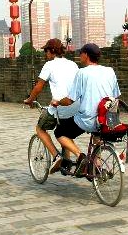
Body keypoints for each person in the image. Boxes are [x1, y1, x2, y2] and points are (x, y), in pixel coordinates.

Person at [51, 43, 121, 175]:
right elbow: (116, 96)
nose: (79, 56)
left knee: (60, 132)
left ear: (86, 55)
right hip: (108, 119)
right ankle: (96, 167)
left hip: (87, 119)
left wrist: (57, 102)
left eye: (81, 53)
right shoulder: (110, 71)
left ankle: (80, 156)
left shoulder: (82, 73)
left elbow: (70, 100)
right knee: (97, 134)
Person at [24, 38, 80, 173]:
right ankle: (66, 162)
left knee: (40, 129)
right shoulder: (73, 64)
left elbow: (38, 87)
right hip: (77, 105)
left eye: (46, 51)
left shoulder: (49, 65)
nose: (45, 54)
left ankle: (57, 157)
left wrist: (30, 100)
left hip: (60, 106)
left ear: (51, 51)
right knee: (64, 131)